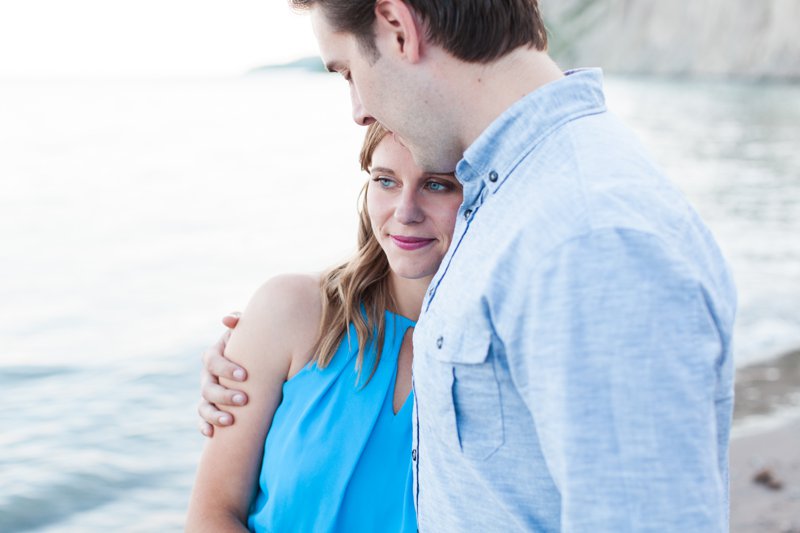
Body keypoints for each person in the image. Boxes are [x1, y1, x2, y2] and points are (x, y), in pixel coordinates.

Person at [199, 1, 737, 530]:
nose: (359, 111)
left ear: (396, 27)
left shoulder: (590, 236)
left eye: (347, 72)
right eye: (386, 181)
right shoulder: (512, 198)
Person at [186, 121, 462, 532]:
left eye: (437, 185)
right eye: (385, 181)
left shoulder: (507, 349)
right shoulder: (291, 310)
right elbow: (211, 514)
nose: (404, 211)